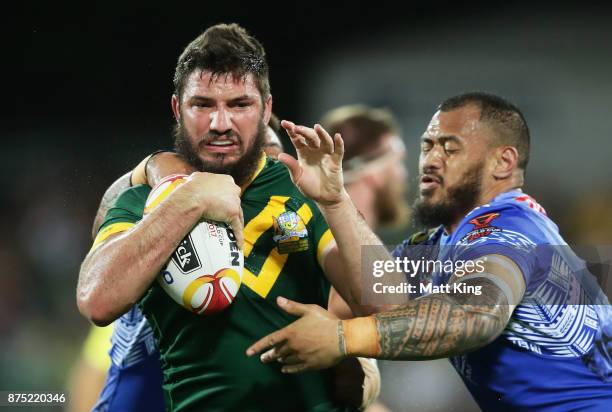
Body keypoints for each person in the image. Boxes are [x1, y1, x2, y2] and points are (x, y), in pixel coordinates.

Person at [77, 23, 385, 411]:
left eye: (239, 105)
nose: (220, 123)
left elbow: (390, 305)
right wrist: (188, 200)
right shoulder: (147, 201)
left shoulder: (304, 190)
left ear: (266, 108)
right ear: (177, 108)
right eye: (202, 104)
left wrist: (338, 202)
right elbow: (95, 301)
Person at [247, 92, 612, 411]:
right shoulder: (441, 243)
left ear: (503, 162)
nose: (431, 161)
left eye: (450, 148)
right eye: (427, 146)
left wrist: (344, 338)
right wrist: (334, 199)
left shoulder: (508, 230)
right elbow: (382, 300)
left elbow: (476, 315)